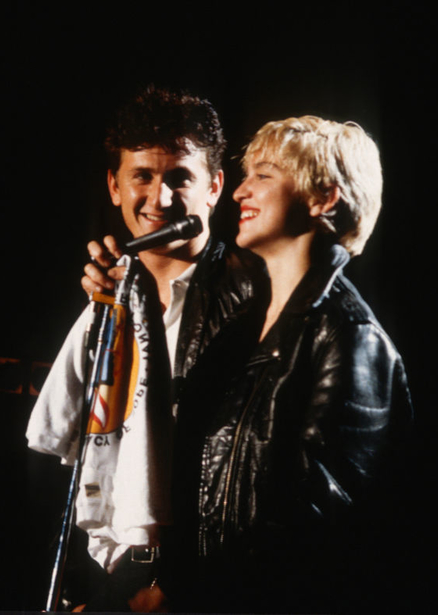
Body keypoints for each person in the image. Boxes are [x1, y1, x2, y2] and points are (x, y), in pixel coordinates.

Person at [26, 86, 265, 611]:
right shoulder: (105, 300)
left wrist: (171, 585)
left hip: (191, 580)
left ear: (215, 187)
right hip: (103, 574)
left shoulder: (253, 299)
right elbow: (67, 456)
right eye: (143, 176)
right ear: (114, 186)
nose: (159, 199)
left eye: (180, 177)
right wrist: (76, 587)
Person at [166, 116, 414, 613]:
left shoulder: (350, 338)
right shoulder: (239, 330)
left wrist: (188, 598)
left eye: (264, 174)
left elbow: (316, 529)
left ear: (324, 199)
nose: (239, 191)